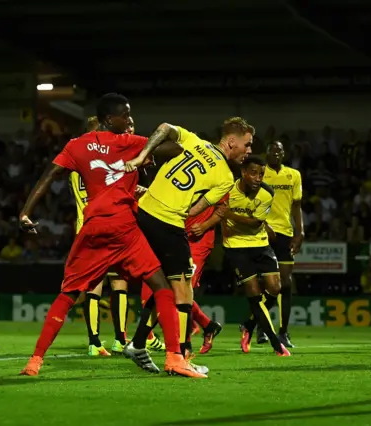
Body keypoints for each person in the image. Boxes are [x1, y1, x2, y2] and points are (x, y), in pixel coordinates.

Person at [19, 93, 200, 378]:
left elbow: (49, 175)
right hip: (123, 229)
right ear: (108, 119)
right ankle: (174, 357)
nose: (129, 121)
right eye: (125, 115)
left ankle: (35, 360)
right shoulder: (130, 143)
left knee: (68, 294)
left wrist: (25, 212)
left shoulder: (76, 146)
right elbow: (176, 148)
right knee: (161, 286)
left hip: (92, 229)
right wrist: (145, 152)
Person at [124, 117, 253, 361]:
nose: (249, 151)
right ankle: (180, 356)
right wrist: (179, 212)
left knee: (165, 286)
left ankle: (139, 342)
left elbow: (163, 127)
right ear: (232, 141)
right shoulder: (226, 177)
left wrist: (142, 157)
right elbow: (196, 208)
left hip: (145, 212)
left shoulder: (195, 142)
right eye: (247, 145)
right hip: (168, 222)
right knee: (183, 291)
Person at [70, 116, 136, 356]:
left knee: (94, 286)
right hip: (109, 226)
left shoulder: (75, 160)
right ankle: (119, 340)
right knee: (118, 283)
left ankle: (94, 342)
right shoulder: (103, 160)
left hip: (85, 229)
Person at [225, 156, 290, 356]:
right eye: (254, 173)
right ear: (243, 172)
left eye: (261, 173)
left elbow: (254, 223)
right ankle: (276, 344)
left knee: (275, 288)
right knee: (253, 293)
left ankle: (248, 324)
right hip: (236, 246)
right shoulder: (227, 190)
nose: (258, 177)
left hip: (260, 244)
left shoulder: (267, 192)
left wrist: (225, 213)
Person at [254, 141, 304, 348]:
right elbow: (250, 201)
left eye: (279, 151)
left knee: (286, 283)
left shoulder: (293, 175)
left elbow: (296, 205)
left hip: (284, 232)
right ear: (266, 153)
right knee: (264, 283)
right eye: (272, 150)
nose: (276, 153)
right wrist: (263, 224)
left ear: (284, 154)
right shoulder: (259, 173)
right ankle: (259, 325)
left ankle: (283, 332)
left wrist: (300, 231)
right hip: (261, 233)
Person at [184, 193, 227, 354]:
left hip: (199, 241)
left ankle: (184, 346)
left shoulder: (217, 174)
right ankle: (208, 326)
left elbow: (224, 207)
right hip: (178, 237)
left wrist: (204, 225)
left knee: (183, 288)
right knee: (172, 287)